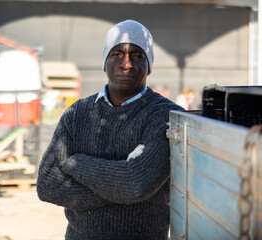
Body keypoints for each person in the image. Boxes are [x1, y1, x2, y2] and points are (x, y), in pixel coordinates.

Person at [36, 19, 184, 240]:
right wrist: (119, 184)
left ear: (149, 65)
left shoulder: (164, 116)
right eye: (116, 54)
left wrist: (75, 163)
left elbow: (135, 184)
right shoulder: (77, 113)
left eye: (137, 55)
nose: (126, 64)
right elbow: (47, 184)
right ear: (105, 62)